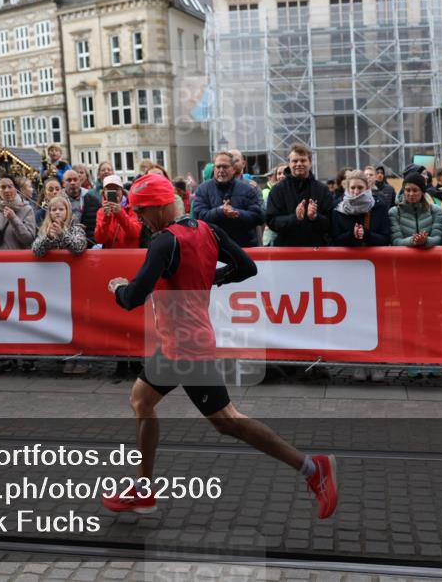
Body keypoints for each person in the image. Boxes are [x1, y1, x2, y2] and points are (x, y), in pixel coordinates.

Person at [103, 173, 338, 519]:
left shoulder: (164, 242)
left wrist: (117, 289)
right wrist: (209, 278)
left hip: (188, 349)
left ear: (159, 207)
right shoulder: (207, 230)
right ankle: (143, 489)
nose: (139, 218)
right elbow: (246, 267)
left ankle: (313, 468)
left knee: (228, 421)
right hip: (176, 344)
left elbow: (133, 297)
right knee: (141, 400)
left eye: (141, 211)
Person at [266, 143, 333, 247]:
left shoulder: (322, 189)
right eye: (295, 161)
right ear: (289, 163)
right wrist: (294, 218)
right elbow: (272, 221)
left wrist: (315, 217)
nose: (299, 164)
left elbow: (330, 223)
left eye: (303, 160)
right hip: (286, 249)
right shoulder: (277, 190)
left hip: (316, 249)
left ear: (310, 163)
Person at [192, 152, 264, 248]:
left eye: (225, 167)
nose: (221, 170)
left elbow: (258, 217)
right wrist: (220, 211)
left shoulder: (248, 189)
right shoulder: (203, 189)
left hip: (242, 247)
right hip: (214, 247)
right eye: (218, 167)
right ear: (214, 169)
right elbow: (199, 216)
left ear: (233, 169)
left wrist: (236, 213)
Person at [331, 170, 391, 248]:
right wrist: (351, 234)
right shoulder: (338, 208)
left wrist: (367, 234)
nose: (356, 192)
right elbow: (335, 240)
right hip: (347, 256)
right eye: (353, 188)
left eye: (360, 187)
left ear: (367, 188)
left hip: (372, 255)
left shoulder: (379, 206)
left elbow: (386, 239)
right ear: (347, 189)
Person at [390, 172, 442, 248]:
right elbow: (396, 241)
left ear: (422, 192)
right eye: (408, 190)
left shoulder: (435, 211)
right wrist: (413, 240)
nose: (411, 194)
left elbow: (438, 238)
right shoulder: (394, 212)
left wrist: (425, 240)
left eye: (415, 190)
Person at [0, 174, 36, 250]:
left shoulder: (27, 209)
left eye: (10, 187)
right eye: (3, 187)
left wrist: (14, 219)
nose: (7, 190)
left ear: (16, 189)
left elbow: (28, 240)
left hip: (17, 257)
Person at [95, 174, 143, 249]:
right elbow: (100, 239)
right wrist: (106, 218)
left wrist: (120, 213)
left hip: (130, 254)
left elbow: (135, 234)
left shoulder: (132, 209)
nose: (113, 192)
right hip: (110, 255)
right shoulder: (101, 212)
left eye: (116, 189)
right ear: (104, 192)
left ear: (122, 191)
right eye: (109, 189)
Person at [61, 169, 100, 243]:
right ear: (63, 183)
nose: (72, 183)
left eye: (75, 180)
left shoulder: (93, 201)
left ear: (80, 182)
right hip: (64, 244)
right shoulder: (57, 202)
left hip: (90, 243)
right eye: (69, 180)